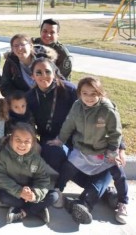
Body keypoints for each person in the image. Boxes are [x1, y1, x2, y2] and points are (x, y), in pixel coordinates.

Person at [48, 76, 128, 224]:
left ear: (100, 93)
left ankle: (122, 202)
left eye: (93, 93)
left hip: (103, 151)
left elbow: (116, 133)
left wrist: (112, 152)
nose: (89, 97)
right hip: (82, 148)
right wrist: (60, 140)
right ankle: (58, 190)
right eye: (85, 93)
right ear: (79, 93)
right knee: (68, 167)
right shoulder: (77, 106)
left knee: (119, 171)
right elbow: (69, 124)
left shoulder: (108, 109)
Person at [0, 122, 59, 224]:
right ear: (11, 140)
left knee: (54, 196)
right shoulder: (4, 154)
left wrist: (34, 194)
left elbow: (43, 179)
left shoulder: (36, 159)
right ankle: (37, 209)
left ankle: (22, 212)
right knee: (2, 196)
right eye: (18, 140)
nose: (22, 144)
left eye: (27, 141)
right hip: (10, 191)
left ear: (32, 144)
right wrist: (19, 191)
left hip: (29, 191)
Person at [25, 57, 77, 173]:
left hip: (75, 138)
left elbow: (96, 111)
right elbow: (27, 123)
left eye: (48, 71)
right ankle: (54, 187)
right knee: (53, 153)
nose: (44, 76)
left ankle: (96, 187)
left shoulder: (70, 90)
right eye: (38, 73)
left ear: (54, 73)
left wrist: (120, 147)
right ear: (32, 76)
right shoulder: (30, 97)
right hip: (49, 139)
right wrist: (33, 141)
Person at [0, 33, 57, 98]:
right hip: (23, 101)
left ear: (30, 46)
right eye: (16, 45)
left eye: (22, 44)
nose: (19, 48)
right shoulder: (11, 61)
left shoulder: (44, 59)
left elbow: (58, 80)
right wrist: (21, 97)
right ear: (12, 49)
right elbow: (5, 86)